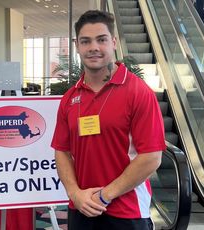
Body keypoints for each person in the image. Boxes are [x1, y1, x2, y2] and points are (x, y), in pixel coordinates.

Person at [51, 10, 166, 230]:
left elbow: (151, 157)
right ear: (77, 46)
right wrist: (75, 194)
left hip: (127, 211)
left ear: (113, 42)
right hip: (81, 208)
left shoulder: (138, 92)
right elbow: (62, 150)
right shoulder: (69, 98)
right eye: (86, 41)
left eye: (101, 39)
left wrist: (104, 196)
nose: (93, 47)